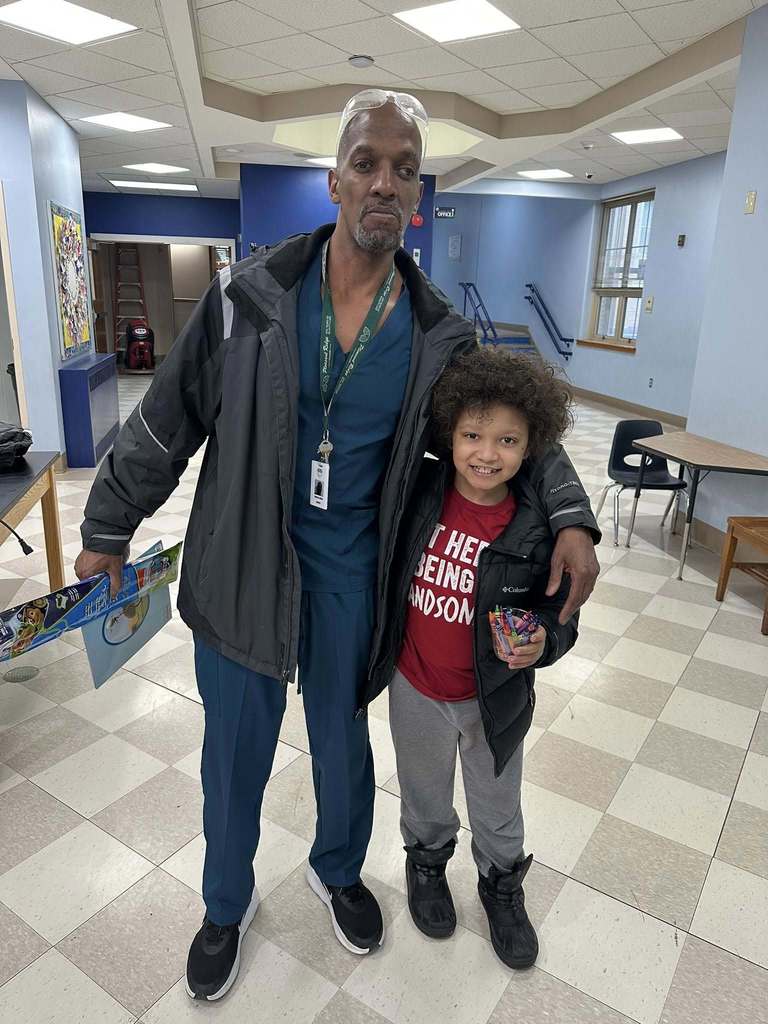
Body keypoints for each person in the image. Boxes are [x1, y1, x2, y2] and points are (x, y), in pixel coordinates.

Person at [74, 90, 600, 1002]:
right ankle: (225, 904)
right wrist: (106, 528)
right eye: (367, 162)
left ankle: (338, 868)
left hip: (354, 573)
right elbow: (167, 417)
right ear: (334, 180)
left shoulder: (438, 335)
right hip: (242, 562)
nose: (385, 181)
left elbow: (510, 428)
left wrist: (571, 514)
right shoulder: (251, 300)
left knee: (343, 740)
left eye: (405, 168)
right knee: (235, 749)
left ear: (420, 197)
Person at [372, 347, 578, 969]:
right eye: (472, 435)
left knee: (497, 805)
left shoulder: (536, 525)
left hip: (494, 698)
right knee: (425, 794)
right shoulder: (421, 493)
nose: (487, 453)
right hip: (416, 687)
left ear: (531, 445)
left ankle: (501, 886)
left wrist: (544, 641)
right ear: (449, 436)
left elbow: (559, 616)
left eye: (508, 440)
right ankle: (428, 867)